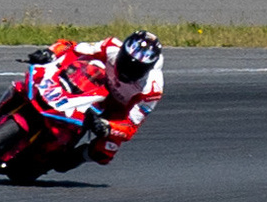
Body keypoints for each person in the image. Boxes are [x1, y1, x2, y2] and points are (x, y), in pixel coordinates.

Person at [22, 31, 164, 164]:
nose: (128, 70)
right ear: (121, 53)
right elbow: (72, 47)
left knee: (106, 150)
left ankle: (76, 157)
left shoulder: (152, 90)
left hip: (116, 108)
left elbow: (131, 125)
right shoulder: (110, 47)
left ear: (148, 68)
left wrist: (108, 127)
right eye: (125, 62)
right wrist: (51, 52)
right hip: (92, 84)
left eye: (137, 68)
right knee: (86, 65)